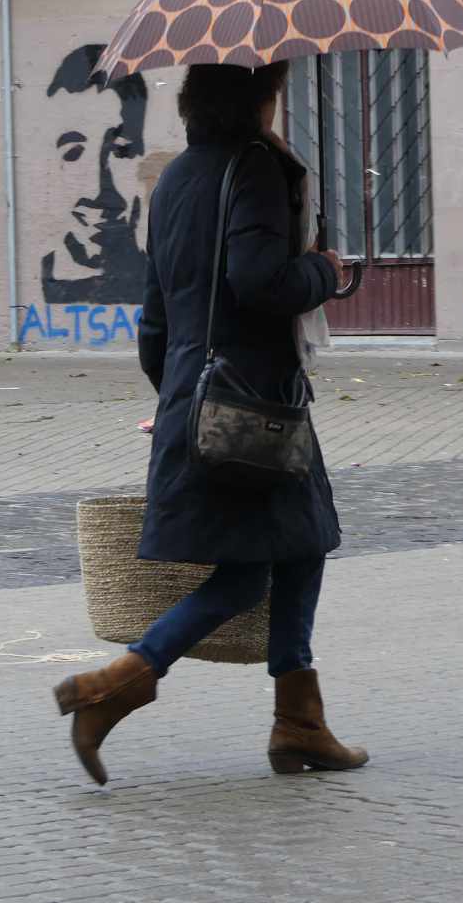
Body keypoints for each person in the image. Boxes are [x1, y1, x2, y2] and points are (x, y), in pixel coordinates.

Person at [53, 62, 367, 785]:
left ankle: (299, 722)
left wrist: (175, 405)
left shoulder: (175, 178)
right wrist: (323, 269)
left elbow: (155, 314)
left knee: (301, 542)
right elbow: (261, 282)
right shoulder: (255, 171)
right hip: (254, 402)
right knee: (252, 566)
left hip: (204, 394)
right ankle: (117, 686)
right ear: (260, 98)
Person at [40, 44, 150, 305]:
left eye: (119, 150)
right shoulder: (50, 277)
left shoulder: (157, 282)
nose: (96, 189)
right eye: (73, 153)